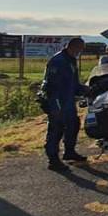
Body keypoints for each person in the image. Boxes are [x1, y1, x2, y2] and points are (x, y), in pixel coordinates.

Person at [42, 37, 88, 171]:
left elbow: (73, 83)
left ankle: (69, 151)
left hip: (68, 101)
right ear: (72, 46)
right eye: (80, 49)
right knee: (56, 130)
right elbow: (50, 86)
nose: (80, 51)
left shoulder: (71, 60)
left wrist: (84, 89)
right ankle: (53, 160)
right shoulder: (58, 61)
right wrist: (55, 106)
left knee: (73, 125)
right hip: (57, 102)